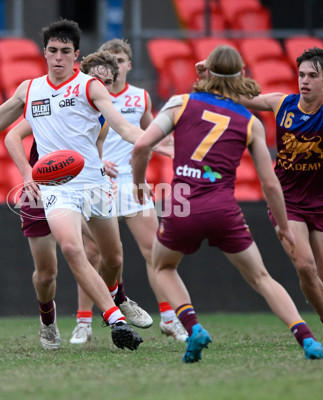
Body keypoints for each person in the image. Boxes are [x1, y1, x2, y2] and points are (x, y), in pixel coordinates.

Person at [0, 19, 170, 350]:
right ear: (44, 52)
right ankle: (115, 319)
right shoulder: (29, 89)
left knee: (112, 259)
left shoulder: (91, 87)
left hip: (94, 184)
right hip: (56, 187)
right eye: (53, 51)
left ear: (76, 55)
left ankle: (116, 296)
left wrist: (156, 140)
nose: (58, 58)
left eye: (65, 52)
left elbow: (125, 129)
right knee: (71, 248)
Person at [131, 45, 323, 362]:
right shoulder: (250, 120)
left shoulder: (180, 104)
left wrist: (139, 185)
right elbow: (269, 183)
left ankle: (193, 327)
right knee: (262, 278)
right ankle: (307, 340)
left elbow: (141, 145)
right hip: (223, 207)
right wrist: (282, 226)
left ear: (206, 73)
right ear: (241, 76)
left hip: (183, 205)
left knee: (163, 266)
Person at [230, 42, 323, 346]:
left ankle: (322, 303)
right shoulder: (282, 104)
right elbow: (243, 98)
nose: (304, 80)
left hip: (322, 202)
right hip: (286, 202)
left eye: (312, 75)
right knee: (305, 266)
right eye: (301, 74)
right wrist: (212, 80)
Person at [70, 39, 187, 345]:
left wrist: (175, 149)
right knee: (93, 254)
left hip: (131, 181)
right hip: (96, 179)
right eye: (111, 60)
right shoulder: (86, 95)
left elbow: (151, 134)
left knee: (154, 250)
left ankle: (170, 319)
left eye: (121, 60)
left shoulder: (140, 97)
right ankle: (84, 323)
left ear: (129, 64)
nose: (117, 65)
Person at [5, 50, 122, 349]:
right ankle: (48, 319)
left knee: (94, 251)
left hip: (76, 191)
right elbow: (9, 135)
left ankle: (101, 313)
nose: (100, 87)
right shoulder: (50, 101)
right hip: (39, 192)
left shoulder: (100, 118)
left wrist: (100, 165)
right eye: (97, 81)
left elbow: (91, 151)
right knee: (46, 274)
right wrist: (28, 174)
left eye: (107, 84)